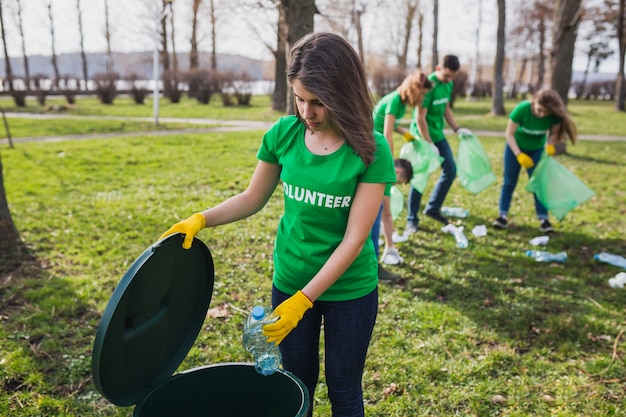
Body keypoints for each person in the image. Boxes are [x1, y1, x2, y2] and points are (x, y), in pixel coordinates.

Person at [160, 32, 395, 417]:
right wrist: (201, 220)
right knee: (297, 385)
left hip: (349, 290)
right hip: (289, 279)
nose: (307, 111)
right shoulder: (283, 134)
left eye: (318, 102)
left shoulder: (370, 148)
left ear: (344, 92)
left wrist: (305, 301)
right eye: (300, 98)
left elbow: (354, 239)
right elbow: (252, 199)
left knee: (344, 389)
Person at [492, 88, 577, 233]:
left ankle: (544, 220)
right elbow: (509, 134)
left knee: (539, 184)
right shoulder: (522, 109)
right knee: (509, 182)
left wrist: (550, 145)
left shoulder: (553, 115)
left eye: (545, 112)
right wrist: (519, 154)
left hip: (536, 150)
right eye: (539, 110)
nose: (542, 114)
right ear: (534, 102)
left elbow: (554, 132)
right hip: (515, 148)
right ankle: (502, 216)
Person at [371, 71, 431, 270]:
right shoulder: (395, 101)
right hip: (374, 152)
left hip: (378, 151)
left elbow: (394, 127)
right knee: (383, 206)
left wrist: (408, 136)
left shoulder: (401, 103)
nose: (422, 99)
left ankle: (387, 245)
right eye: (421, 94)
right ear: (414, 89)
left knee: (383, 207)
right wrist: (389, 165)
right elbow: (386, 133)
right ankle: (386, 246)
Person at [405, 55, 471, 234]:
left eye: (452, 77)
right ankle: (412, 219)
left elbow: (446, 108)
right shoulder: (428, 84)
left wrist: (457, 128)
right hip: (422, 137)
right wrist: (428, 143)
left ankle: (433, 208)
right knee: (419, 177)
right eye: (447, 76)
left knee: (450, 171)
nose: (449, 80)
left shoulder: (448, 85)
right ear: (438, 68)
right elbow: (420, 117)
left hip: (438, 134)